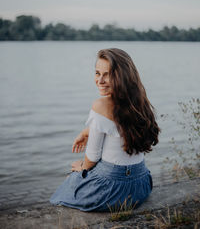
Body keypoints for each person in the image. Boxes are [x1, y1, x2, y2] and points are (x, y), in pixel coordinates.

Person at [50, 48, 160, 212]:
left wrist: (81, 168)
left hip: (113, 191)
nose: (100, 80)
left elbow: (92, 157)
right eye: (97, 73)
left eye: (107, 74)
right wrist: (88, 131)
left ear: (122, 76)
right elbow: (119, 128)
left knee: (71, 178)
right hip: (141, 185)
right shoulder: (140, 102)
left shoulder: (100, 105)